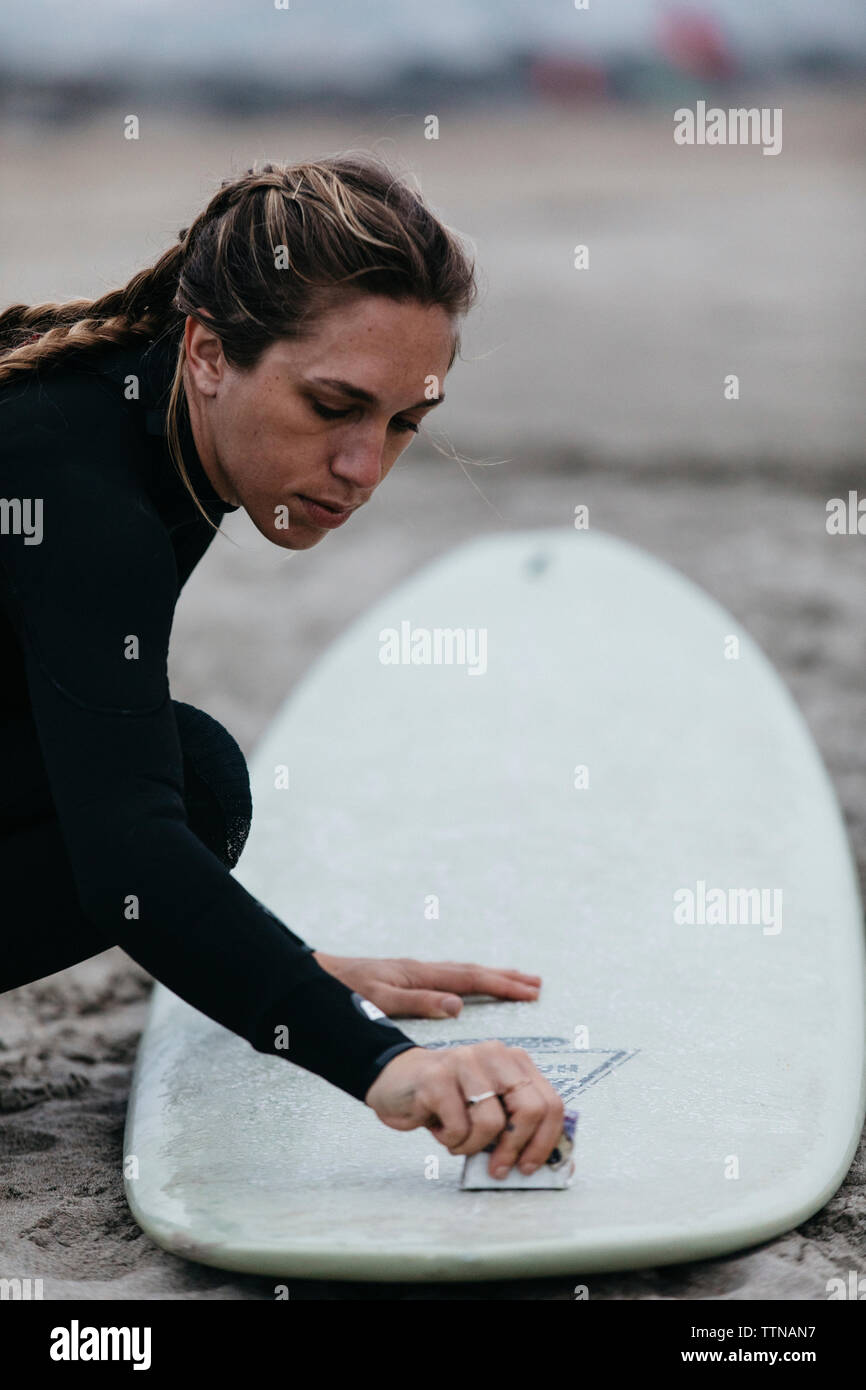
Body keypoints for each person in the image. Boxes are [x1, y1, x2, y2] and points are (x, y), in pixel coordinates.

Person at [0, 155, 564, 1181]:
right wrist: (381, 1064)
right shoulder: (72, 478)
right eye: (331, 406)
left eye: (401, 425)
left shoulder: (135, 421)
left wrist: (281, 971)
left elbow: (82, 761)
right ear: (210, 352)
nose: (361, 468)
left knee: (186, 775)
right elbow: (125, 851)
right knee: (195, 786)